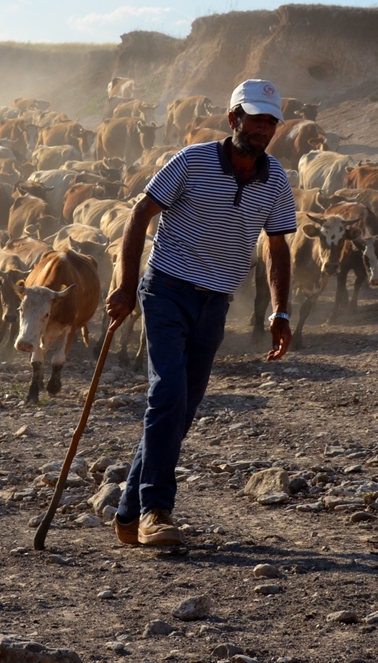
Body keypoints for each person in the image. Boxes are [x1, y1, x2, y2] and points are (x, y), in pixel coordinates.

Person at [106, 79, 297, 547]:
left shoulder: (276, 181)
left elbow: (277, 246)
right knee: (168, 394)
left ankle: (128, 511)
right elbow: (138, 215)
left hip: (216, 302)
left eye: (270, 121)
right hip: (167, 290)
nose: (262, 129)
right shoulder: (191, 161)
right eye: (254, 119)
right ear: (233, 119)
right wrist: (126, 287)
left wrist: (280, 311)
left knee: (181, 409)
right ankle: (156, 510)